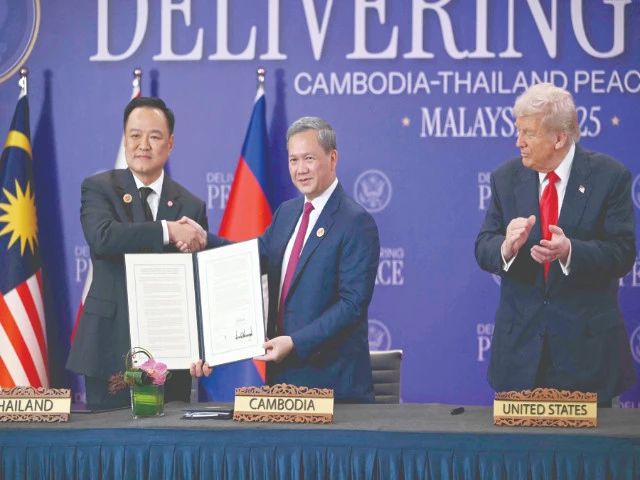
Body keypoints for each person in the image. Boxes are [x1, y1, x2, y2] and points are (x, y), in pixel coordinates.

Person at [191, 117, 380, 402]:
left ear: (332, 158)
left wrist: (294, 343)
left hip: (332, 387)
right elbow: (250, 259)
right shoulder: (287, 214)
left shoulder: (355, 221)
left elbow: (352, 305)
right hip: (281, 381)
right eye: (293, 160)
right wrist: (204, 240)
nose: (300, 169)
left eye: (309, 158)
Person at [475, 83, 636, 405]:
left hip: (587, 357)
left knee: (588, 455)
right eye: (518, 131)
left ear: (559, 138)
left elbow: (622, 254)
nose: (518, 142)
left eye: (528, 134)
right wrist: (506, 247)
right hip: (520, 357)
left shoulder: (610, 176)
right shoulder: (506, 177)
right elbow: (484, 244)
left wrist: (570, 252)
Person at [66, 97, 208, 408]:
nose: (143, 144)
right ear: (125, 139)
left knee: (165, 449)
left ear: (169, 144)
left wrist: (203, 346)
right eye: (134, 135)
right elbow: (104, 238)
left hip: (170, 354)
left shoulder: (191, 205)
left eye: (154, 137)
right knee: (107, 449)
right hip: (107, 348)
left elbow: (198, 285)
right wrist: (167, 231)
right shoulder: (98, 188)